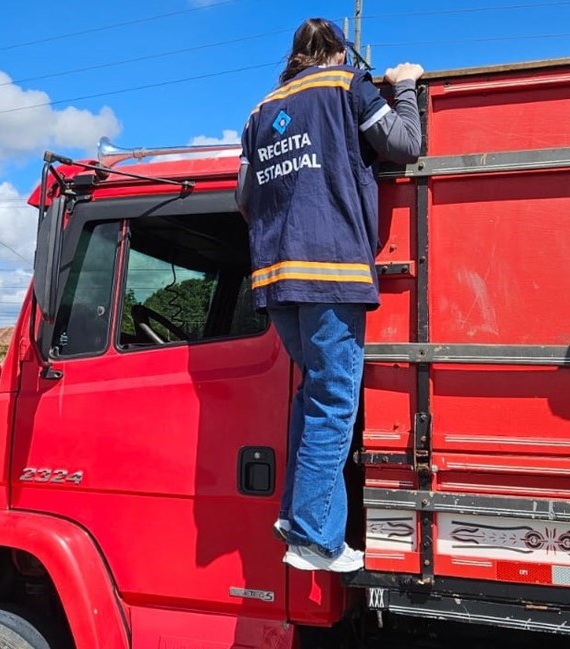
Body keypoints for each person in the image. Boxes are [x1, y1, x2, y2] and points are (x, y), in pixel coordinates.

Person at [235, 17, 423, 572]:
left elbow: (243, 197)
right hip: (330, 270)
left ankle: (295, 516)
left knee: (314, 394)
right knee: (334, 402)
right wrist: (405, 86)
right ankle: (316, 538)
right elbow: (405, 145)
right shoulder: (347, 85)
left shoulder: (259, 112)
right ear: (340, 53)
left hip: (274, 278)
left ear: (293, 58)